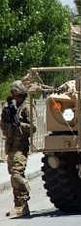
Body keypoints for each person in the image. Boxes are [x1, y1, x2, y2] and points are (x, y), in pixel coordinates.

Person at [1, 80, 36, 218]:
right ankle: (20, 205)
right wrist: (8, 122)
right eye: (16, 95)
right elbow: (3, 127)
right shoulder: (8, 107)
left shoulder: (26, 107)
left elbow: (33, 128)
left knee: (16, 174)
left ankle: (24, 198)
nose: (18, 97)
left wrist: (19, 124)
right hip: (10, 146)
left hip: (21, 147)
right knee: (14, 176)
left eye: (20, 95)